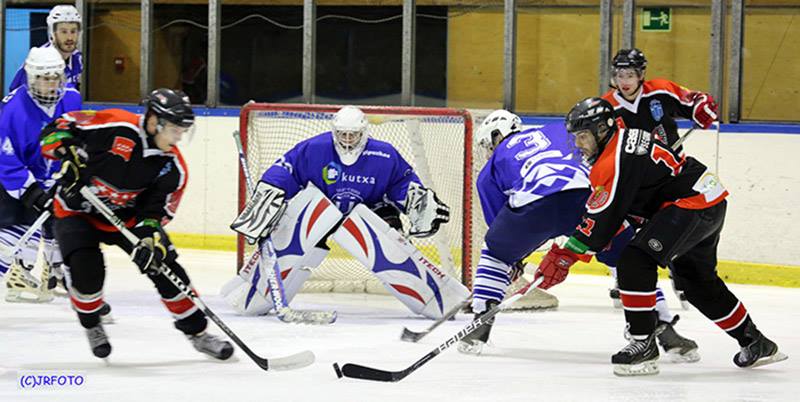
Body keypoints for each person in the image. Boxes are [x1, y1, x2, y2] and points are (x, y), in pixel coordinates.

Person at [535, 97, 786, 376]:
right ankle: (757, 342)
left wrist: (566, 255)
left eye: (583, 136)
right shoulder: (622, 141)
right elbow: (620, 210)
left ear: (602, 130)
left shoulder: (613, 159)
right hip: (707, 198)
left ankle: (643, 344)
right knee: (696, 283)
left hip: (691, 203)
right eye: (576, 137)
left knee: (634, 259)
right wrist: (587, 241)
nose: (579, 144)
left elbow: (603, 220)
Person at [457, 110, 695, 361]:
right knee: (628, 261)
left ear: (496, 136)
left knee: (494, 254)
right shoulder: (561, 129)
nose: (487, 151)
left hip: (533, 206)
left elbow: (499, 225)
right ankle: (663, 326)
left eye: (487, 145)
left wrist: (514, 258)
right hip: (588, 200)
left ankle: (481, 321)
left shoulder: (492, 166)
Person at [221, 105, 468, 320]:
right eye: (343, 134)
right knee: (292, 231)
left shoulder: (384, 154)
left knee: (391, 240)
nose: (348, 140)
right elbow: (288, 169)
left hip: (371, 211)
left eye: (353, 135)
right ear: (334, 132)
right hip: (323, 211)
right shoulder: (314, 148)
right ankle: (250, 293)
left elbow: (401, 183)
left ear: (364, 133)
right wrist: (270, 191)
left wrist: (417, 204)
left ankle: (438, 297)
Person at [39, 88, 233, 361]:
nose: (179, 137)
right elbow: (55, 129)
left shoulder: (172, 168)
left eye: (183, 130)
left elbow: (155, 215)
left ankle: (198, 334)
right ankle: (92, 323)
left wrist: (149, 240)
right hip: (76, 211)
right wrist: (66, 154)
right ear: (154, 122)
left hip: (126, 220)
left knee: (166, 269)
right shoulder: (114, 124)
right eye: (176, 129)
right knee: (87, 271)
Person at [601, 48, 719, 310]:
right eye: (620, 74)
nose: (625, 81)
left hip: (671, 175)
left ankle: (682, 275)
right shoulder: (608, 107)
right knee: (625, 227)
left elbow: (695, 100)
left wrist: (704, 108)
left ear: (641, 74)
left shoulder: (661, 91)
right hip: (635, 182)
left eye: (630, 74)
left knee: (678, 226)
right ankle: (624, 275)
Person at [0, 46, 82, 303]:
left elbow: (77, 137)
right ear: (32, 79)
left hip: (51, 179)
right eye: (45, 78)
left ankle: (69, 281)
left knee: (67, 229)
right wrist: (34, 192)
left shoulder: (71, 99)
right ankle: (16, 272)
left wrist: (72, 168)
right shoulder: (13, 110)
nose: (51, 84)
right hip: (13, 183)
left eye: (56, 77)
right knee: (9, 239)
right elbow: (7, 162)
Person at [9, 5, 83, 92]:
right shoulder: (39, 61)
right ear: (52, 33)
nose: (70, 37)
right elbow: (16, 94)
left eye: (73, 31)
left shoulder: (78, 59)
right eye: (64, 32)